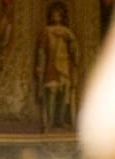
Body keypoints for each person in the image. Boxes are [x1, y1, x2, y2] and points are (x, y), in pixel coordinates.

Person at [35, 1, 79, 131]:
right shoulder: (46, 31)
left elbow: (74, 48)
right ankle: (49, 121)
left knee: (65, 91)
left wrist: (70, 40)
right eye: (53, 15)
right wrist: (39, 65)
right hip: (51, 63)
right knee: (51, 90)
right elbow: (41, 50)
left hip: (65, 64)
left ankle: (60, 120)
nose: (56, 17)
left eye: (58, 15)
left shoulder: (67, 32)